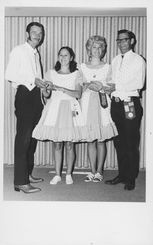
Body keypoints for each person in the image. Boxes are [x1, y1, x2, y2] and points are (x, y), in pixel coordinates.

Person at [32, 46, 87, 185]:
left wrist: (60, 88)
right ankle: (57, 174)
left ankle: (68, 174)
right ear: (58, 57)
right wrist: (45, 88)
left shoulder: (76, 74)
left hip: (71, 109)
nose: (63, 58)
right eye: (61, 55)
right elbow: (46, 94)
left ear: (71, 58)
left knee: (69, 144)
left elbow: (78, 94)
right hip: (54, 109)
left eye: (66, 55)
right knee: (57, 144)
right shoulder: (50, 73)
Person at [5, 22, 47, 193]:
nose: (37, 35)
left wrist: (43, 86)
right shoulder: (18, 50)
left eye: (40, 32)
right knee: (23, 139)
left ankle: (27, 174)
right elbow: (9, 75)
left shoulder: (36, 53)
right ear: (27, 34)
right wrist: (33, 80)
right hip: (25, 96)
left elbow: (36, 77)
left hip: (36, 97)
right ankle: (20, 181)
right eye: (34, 32)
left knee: (32, 138)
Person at [105, 29, 146, 190]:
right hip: (115, 105)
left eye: (124, 40)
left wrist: (117, 86)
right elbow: (110, 80)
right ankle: (122, 174)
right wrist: (107, 87)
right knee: (119, 142)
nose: (121, 43)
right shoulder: (115, 60)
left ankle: (131, 177)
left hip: (130, 104)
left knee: (130, 141)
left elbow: (139, 84)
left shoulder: (138, 60)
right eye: (119, 40)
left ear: (132, 41)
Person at [79, 35, 118, 182]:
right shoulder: (82, 67)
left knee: (101, 139)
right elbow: (79, 87)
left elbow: (111, 88)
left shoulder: (108, 67)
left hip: (102, 104)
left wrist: (102, 87)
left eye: (100, 47)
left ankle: (99, 171)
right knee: (90, 140)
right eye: (94, 47)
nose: (97, 50)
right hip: (87, 104)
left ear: (103, 50)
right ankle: (92, 170)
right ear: (89, 48)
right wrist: (87, 85)